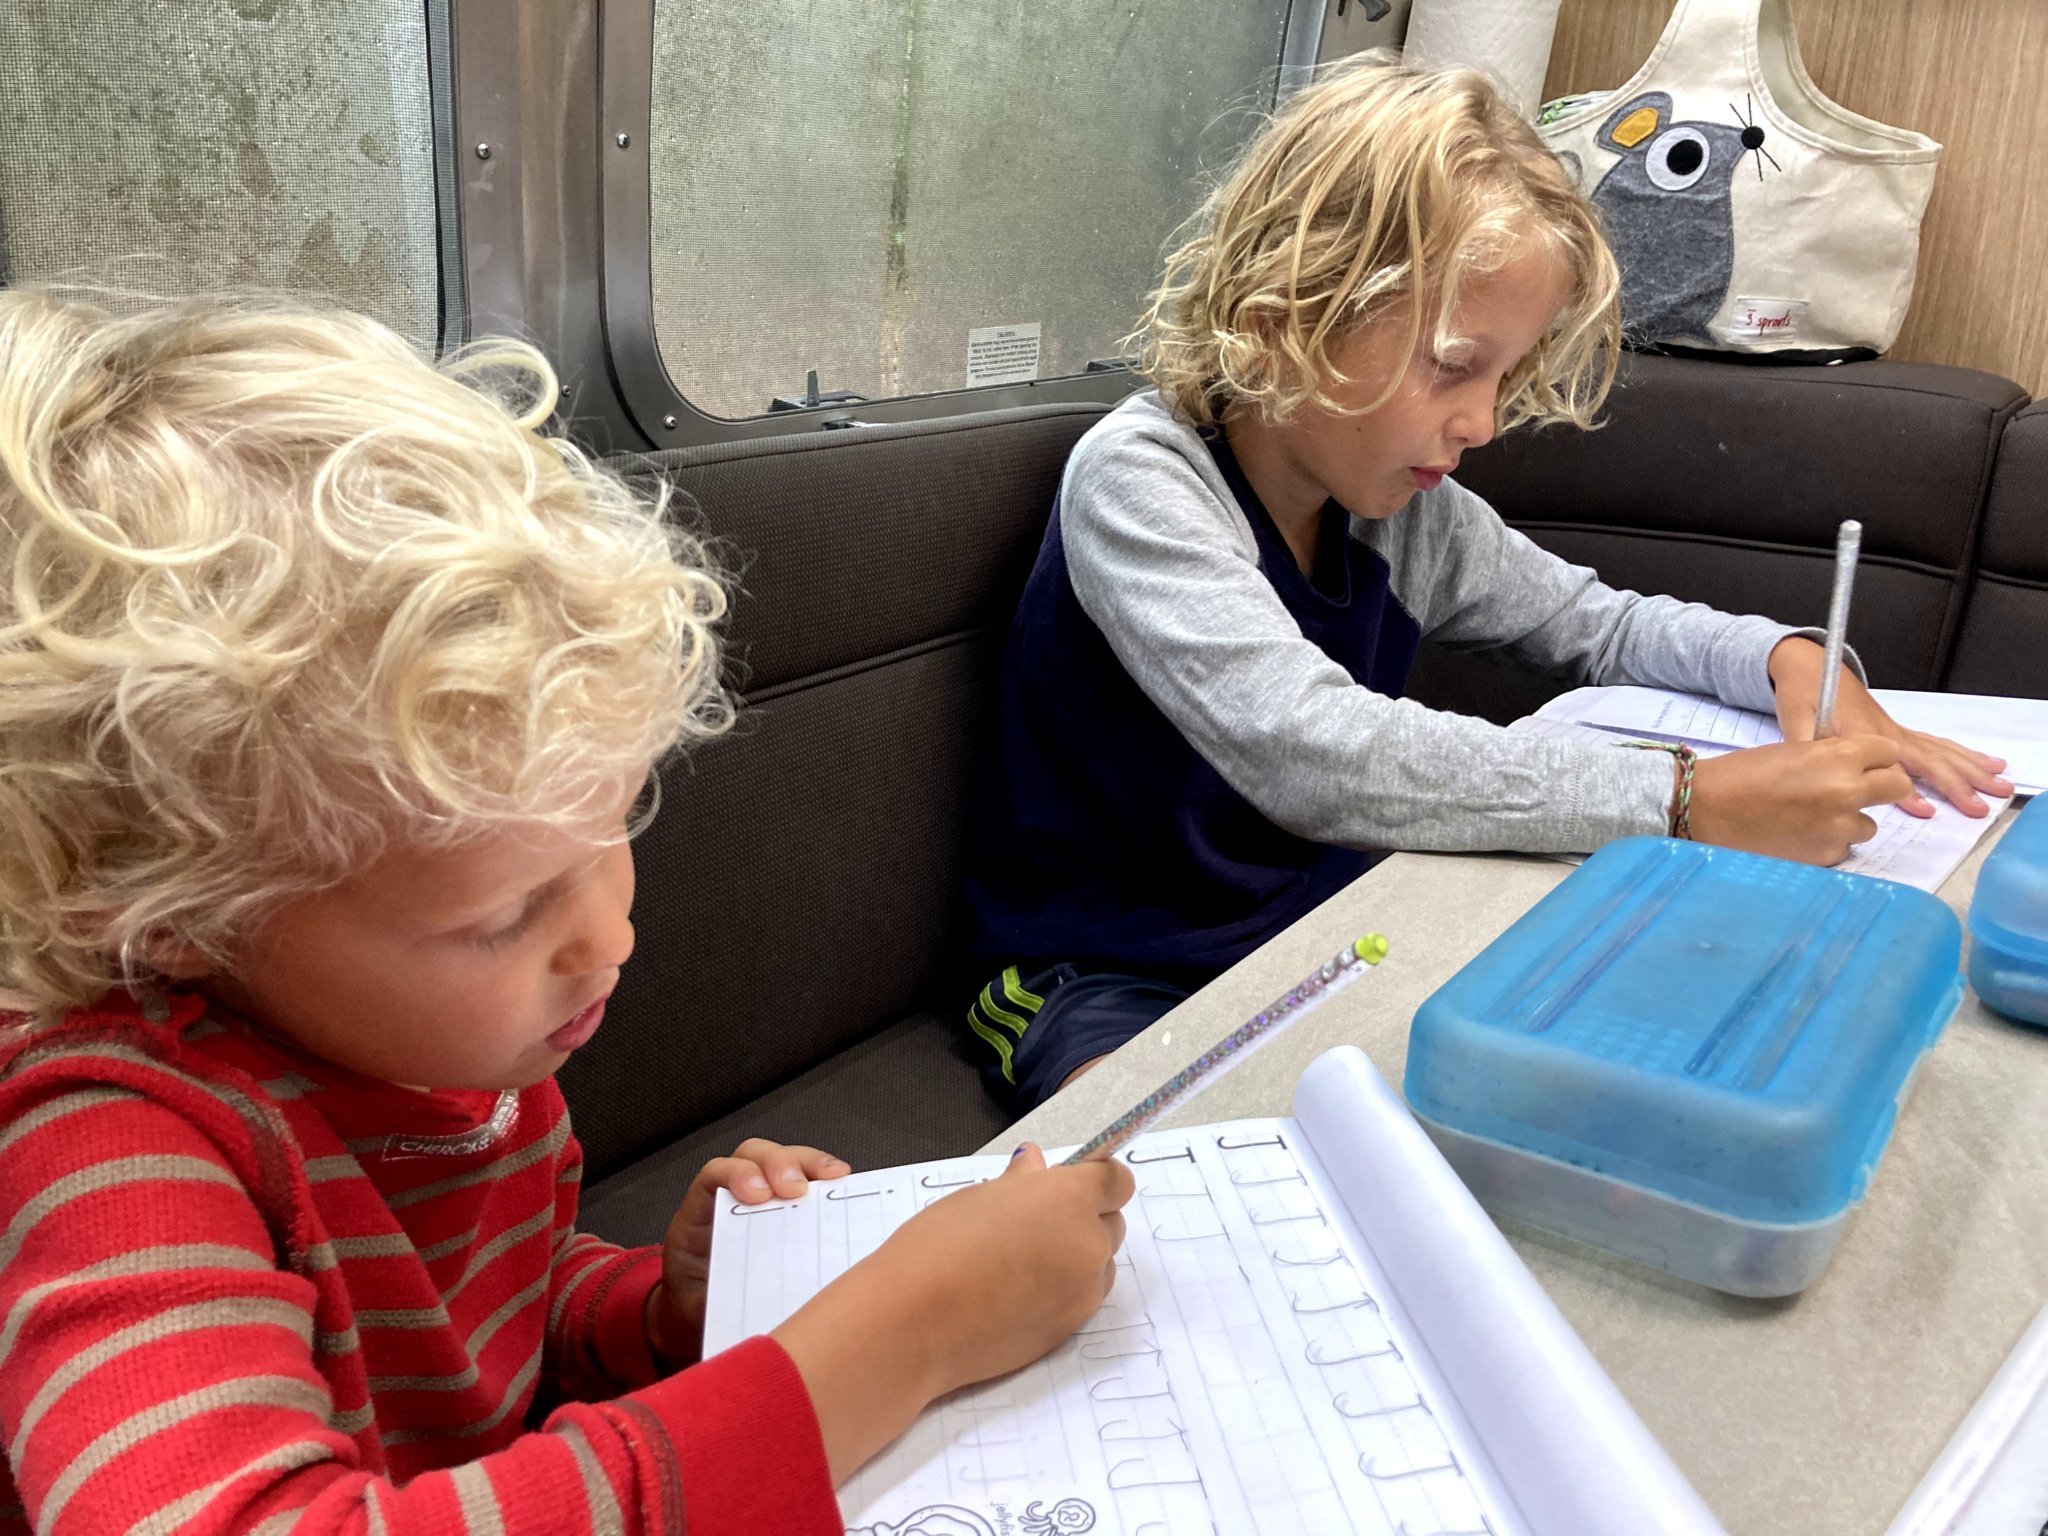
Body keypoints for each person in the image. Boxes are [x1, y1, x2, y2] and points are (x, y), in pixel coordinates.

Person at [0, 290, 1134, 1536]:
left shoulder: (456, 1039)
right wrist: (900, 1342)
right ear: (173, 918)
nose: (609, 938)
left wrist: (655, 1314)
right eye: (504, 914)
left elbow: (474, 1356)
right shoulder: (109, 1151)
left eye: (618, 828)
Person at [960, 54, 2010, 1112]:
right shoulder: (1142, 480)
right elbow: (1312, 752)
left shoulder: (1399, 511)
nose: (1481, 423)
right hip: (1097, 967)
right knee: (1148, 1148)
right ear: (1293, 306)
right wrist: (1684, 800)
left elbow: (1599, 626)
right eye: (1454, 365)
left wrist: (1786, 658)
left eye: (1503, 377)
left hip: (1326, 926)